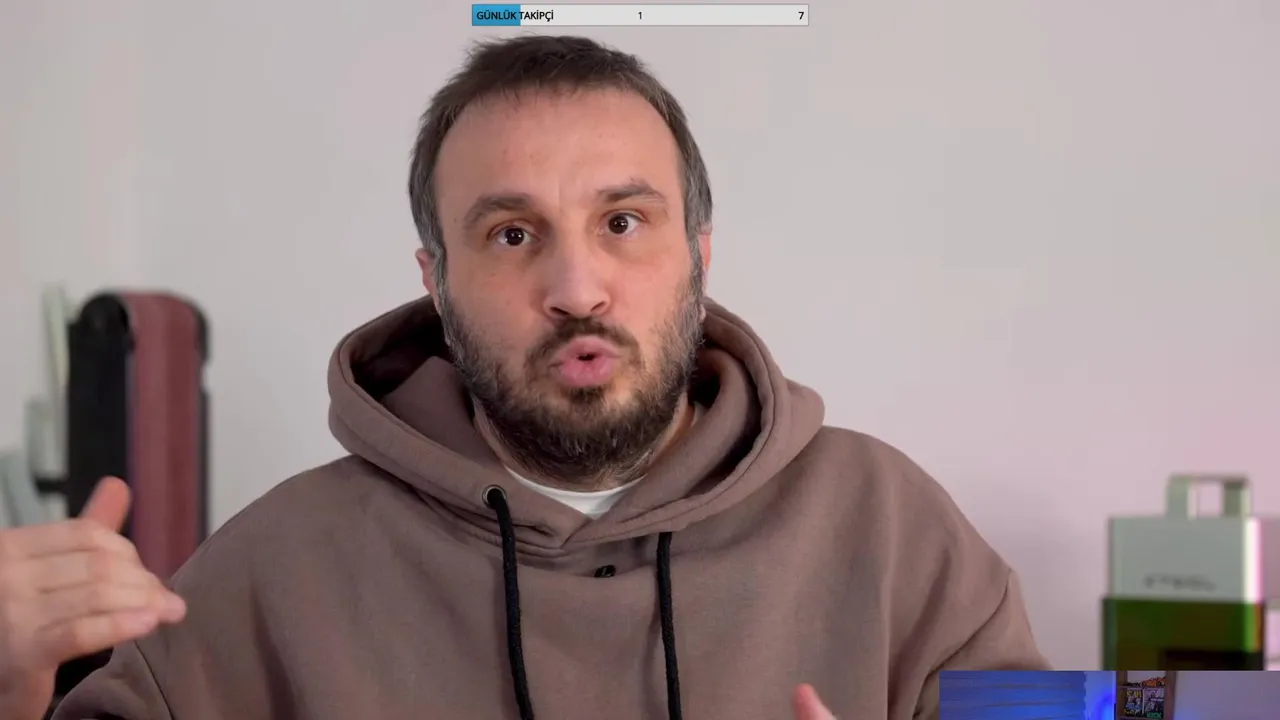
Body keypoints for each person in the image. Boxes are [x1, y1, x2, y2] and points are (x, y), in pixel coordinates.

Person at [0, 35, 1049, 720]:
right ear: (436, 280)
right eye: (512, 234)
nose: (576, 288)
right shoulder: (271, 569)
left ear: (698, 254)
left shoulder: (893, 529)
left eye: (622, 222)